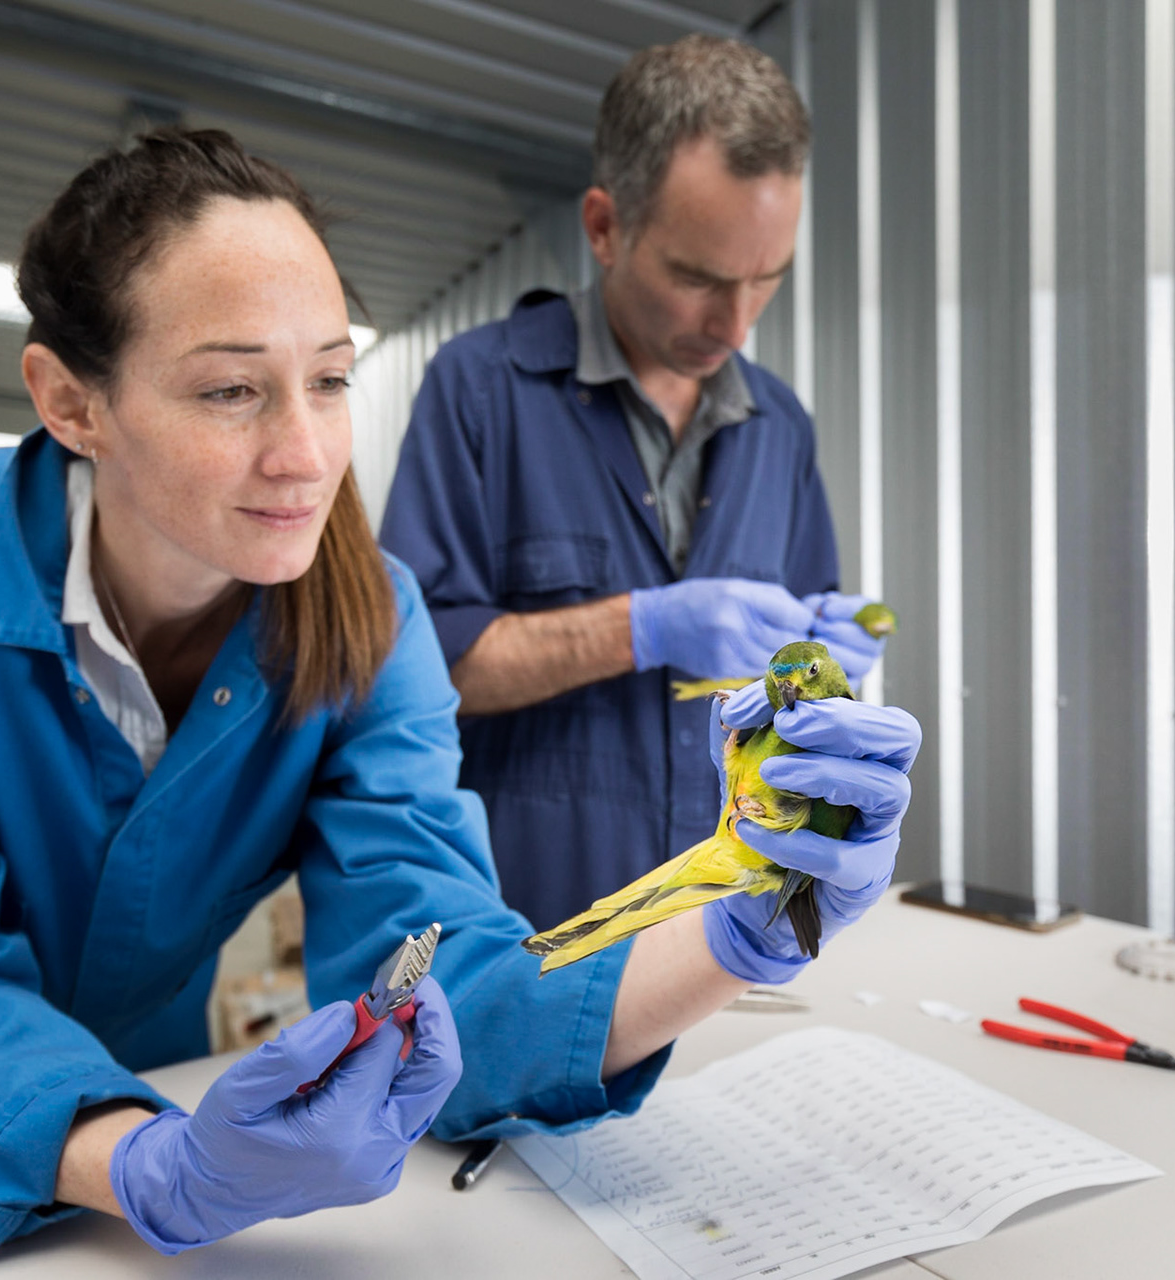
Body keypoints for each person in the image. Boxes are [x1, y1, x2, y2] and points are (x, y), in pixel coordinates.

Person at [0, 129, 920, 1267]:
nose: (307, 454)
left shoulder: (374, 611)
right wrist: (150, 1166)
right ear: (70, 403)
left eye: (327, 378)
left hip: (152, 1112)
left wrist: (743, 929)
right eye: (230, 392)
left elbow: (439, 958)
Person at [380, 36, 890, 933]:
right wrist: (644, 627)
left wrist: (825, 671)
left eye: (766, 279)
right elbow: (420, 676)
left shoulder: (780, 427)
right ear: (605, 226)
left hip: (725, 936)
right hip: (526, 935)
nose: (734, 323)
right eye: (698, 278)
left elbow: (802, 696)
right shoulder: (479, 390)